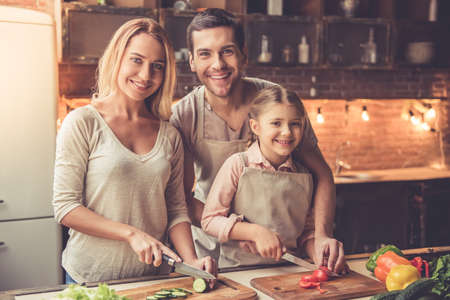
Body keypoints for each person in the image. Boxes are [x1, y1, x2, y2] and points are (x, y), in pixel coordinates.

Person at [170, 8, 346, 273]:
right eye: (205, 54)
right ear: (192, 61)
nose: (218, 64)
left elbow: (321, 175)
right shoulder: (185, 114)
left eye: (227, 51)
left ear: (243, 54)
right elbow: (181, 197)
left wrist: (319, 236)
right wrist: (245, 231)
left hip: (284, 257)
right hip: (215, 254)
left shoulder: (278, 103)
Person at [53, 18, 216, 284]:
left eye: (157, 66)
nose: (145, 75)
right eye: (136, 60)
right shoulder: (83, 122)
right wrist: (130, 233)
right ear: (117, 57)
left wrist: (192, 261)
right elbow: (66, 208)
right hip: (90, 277)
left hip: (151, 279)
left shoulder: (169, 135)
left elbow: (176, 210)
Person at [201, 86, 318, 267]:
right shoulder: (238, 165)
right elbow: (209, 221)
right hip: (239, 272)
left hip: (291, 271)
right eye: (276, 123)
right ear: (255, 126)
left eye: (295, 123)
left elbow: (307, 233)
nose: (287, 131)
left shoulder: (305, 174)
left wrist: (320, 255)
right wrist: (255, 232)